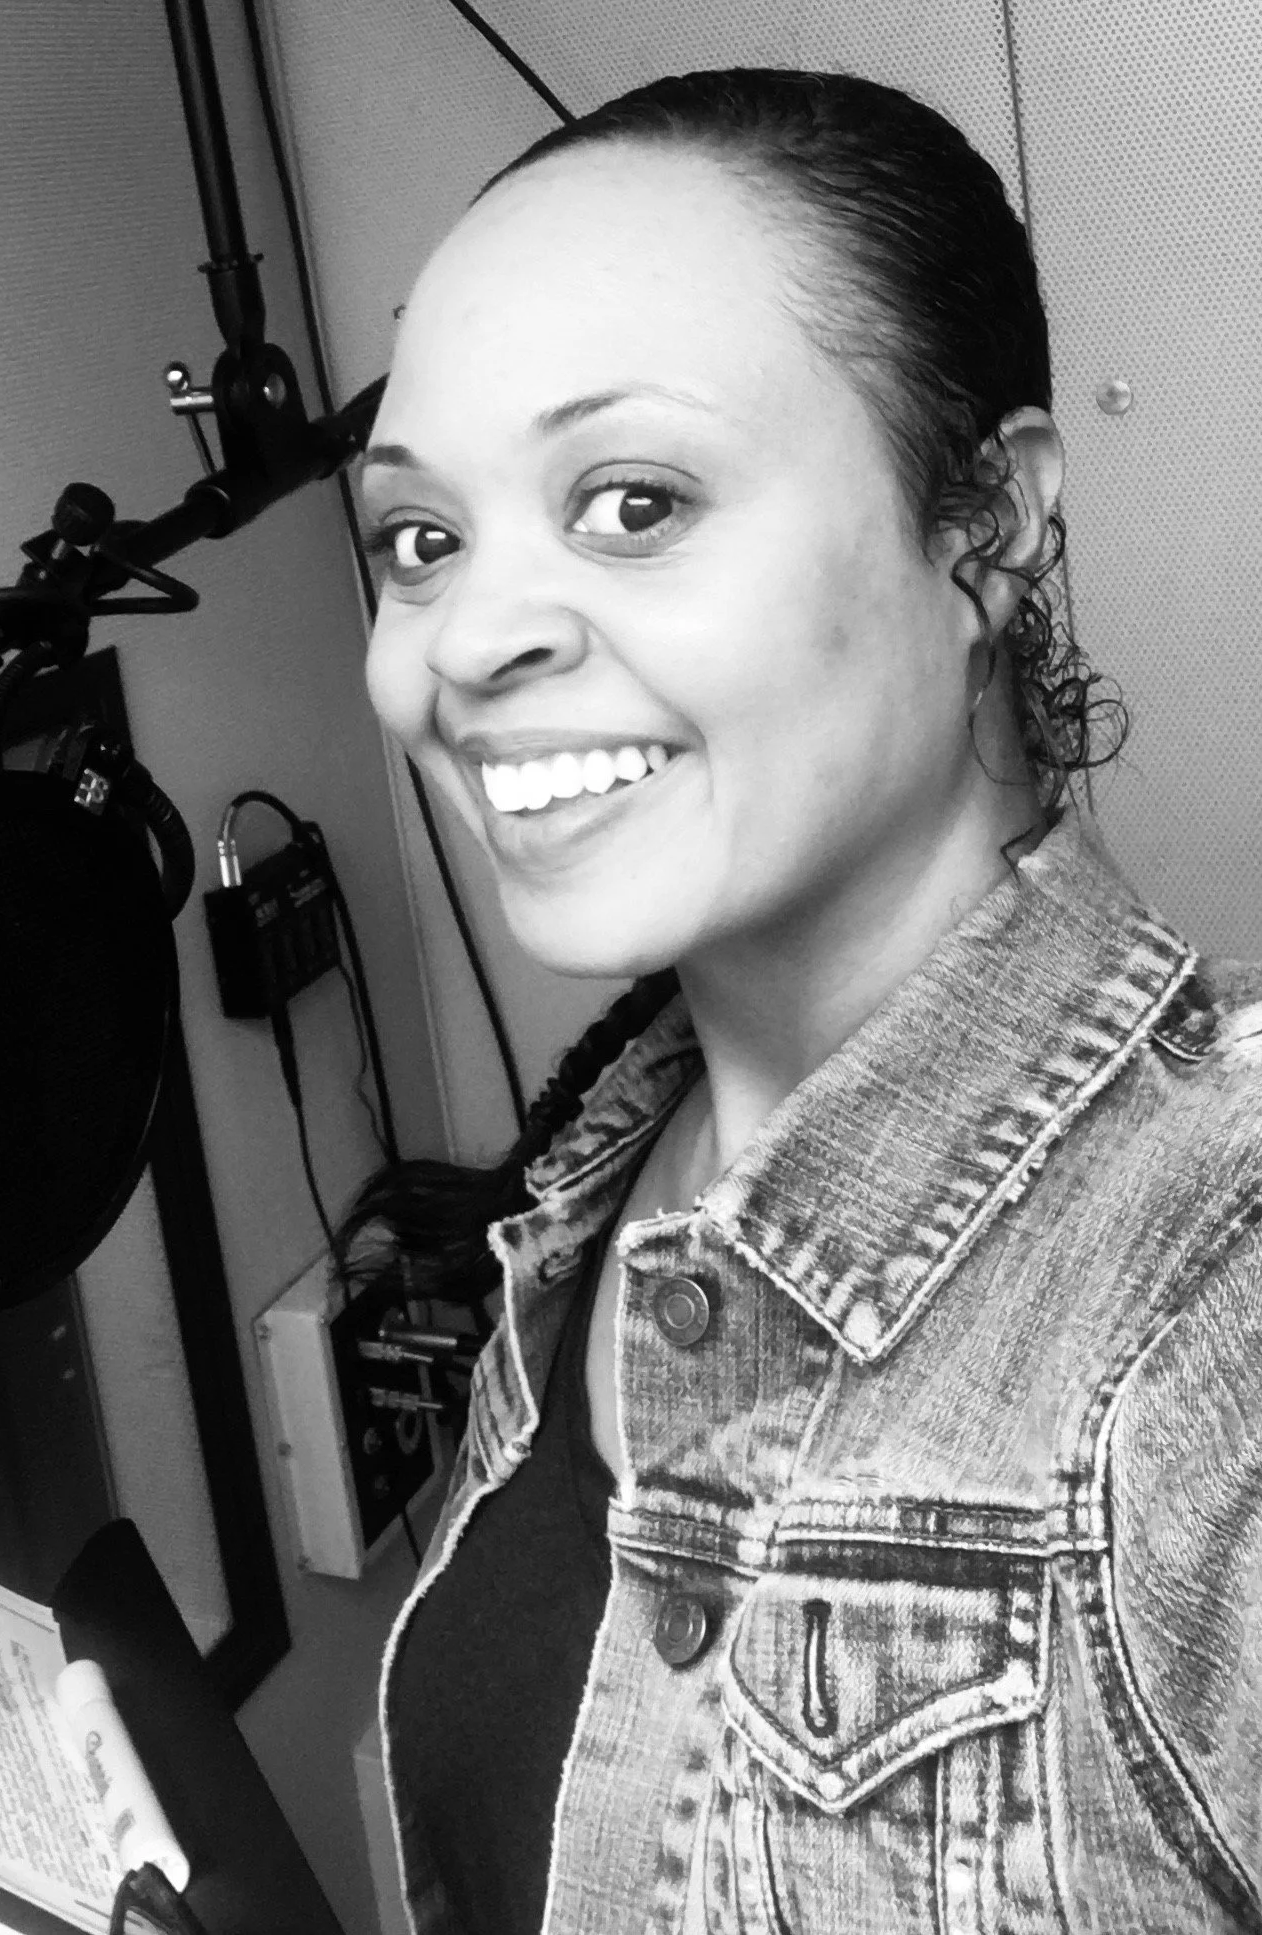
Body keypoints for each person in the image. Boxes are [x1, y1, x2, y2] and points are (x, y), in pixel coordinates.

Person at [340, 66, 1262, 1935]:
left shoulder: (1217, 1316)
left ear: (986, 522)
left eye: (632, 501)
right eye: (420, 539)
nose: (469, 637)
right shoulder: (595, 1199)